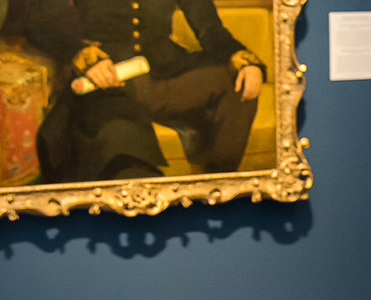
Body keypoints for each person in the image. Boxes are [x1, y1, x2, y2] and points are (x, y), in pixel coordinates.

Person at [25, 0, 265, 182]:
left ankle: (216, 187)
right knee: (121, 143)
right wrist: (79, 53)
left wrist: (241, 58)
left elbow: (211, 29)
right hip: (109, 77)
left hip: (167, 72)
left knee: (238, 82)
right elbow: (41, 25)